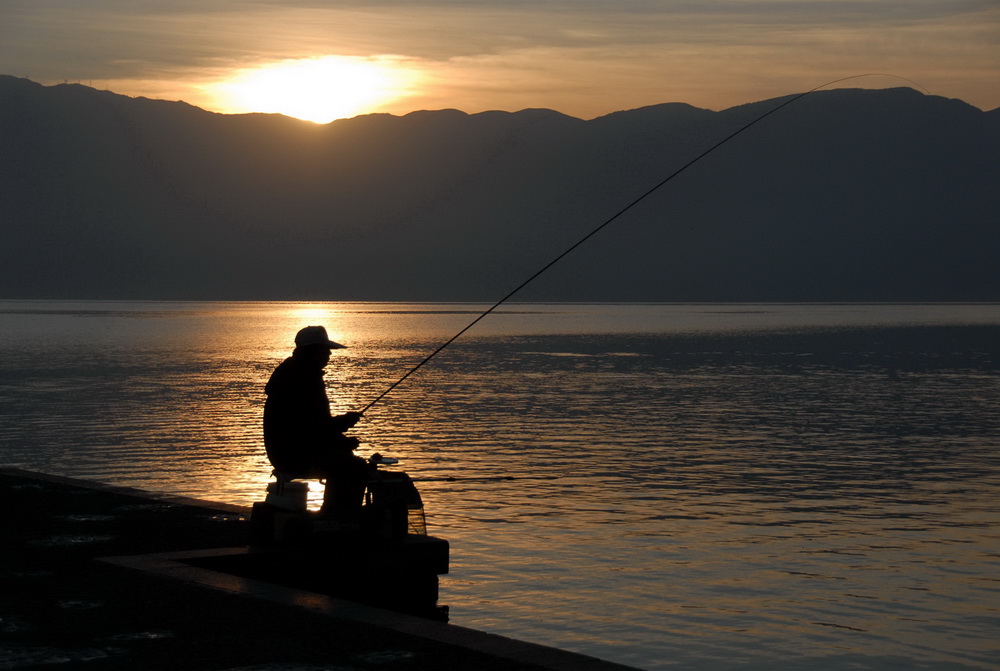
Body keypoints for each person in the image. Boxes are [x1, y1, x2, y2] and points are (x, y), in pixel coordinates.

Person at [263, 325, 369, 519]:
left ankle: (335, 516)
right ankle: (336, 519)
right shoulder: (302, 380)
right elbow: (312, 429)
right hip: (292, 454)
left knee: (346, 457)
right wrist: (344, 424)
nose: (329, 354)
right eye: (325, 350)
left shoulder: (294, 374)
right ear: (312, 351)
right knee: (355, 467)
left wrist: (341, 439)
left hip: (289, 450)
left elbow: (311, 427)